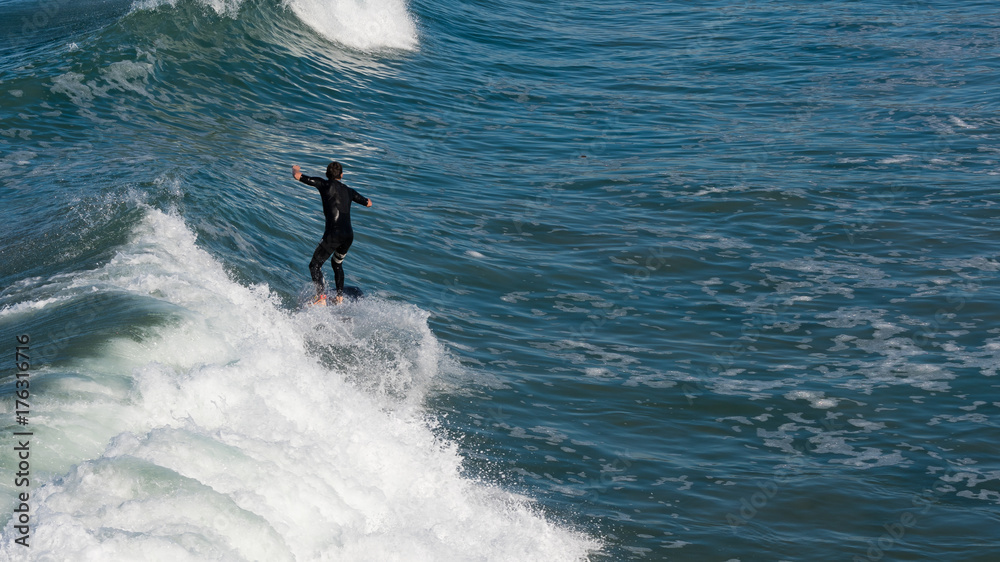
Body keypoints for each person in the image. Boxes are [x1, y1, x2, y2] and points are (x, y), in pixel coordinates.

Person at [292, 161, 372, 305]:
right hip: (348, 235)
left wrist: (295, 169)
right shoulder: (349, 191)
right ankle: (339, 298)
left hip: (333, 234)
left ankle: (321, 297)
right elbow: (368, 203)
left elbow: (298, 176)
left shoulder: (324, 184)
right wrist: (365, 200)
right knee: (337, 264)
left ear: (327, 174)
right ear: (341, 175)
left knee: (314, 265)